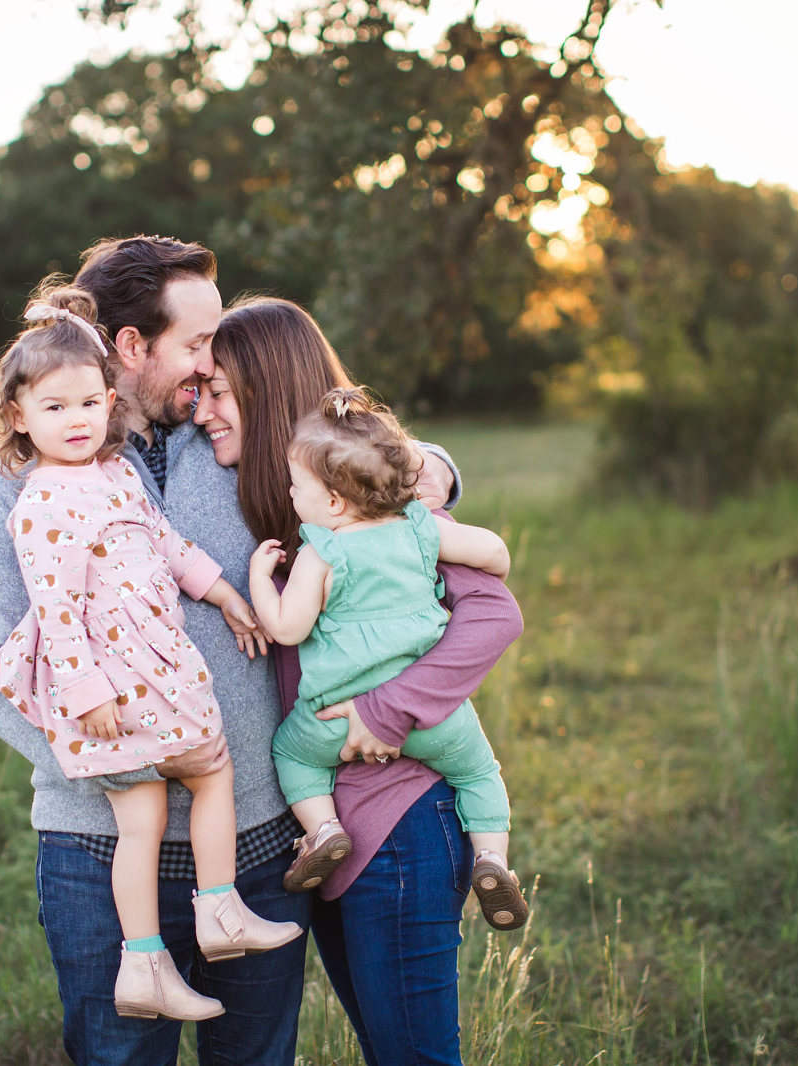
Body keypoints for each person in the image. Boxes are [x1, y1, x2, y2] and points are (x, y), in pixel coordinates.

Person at [0, 238, 500, 1066]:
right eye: (199, 342)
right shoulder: (22, 484)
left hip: (253, 847)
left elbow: (349, 434)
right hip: (97, 848)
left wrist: (432, 465)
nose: (215, 360)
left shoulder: (237, 438)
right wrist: (127, 765)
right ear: (134, 349)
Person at [192, 296, 526, 1065]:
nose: (202, 409)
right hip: (333, 832)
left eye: (220, 391)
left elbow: (494, 613)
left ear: (269, 391)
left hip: (399, 821)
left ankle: (491, 855)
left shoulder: (381, 501)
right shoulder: (290, 494)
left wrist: (387, 709)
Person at [0, 286, 302, 1022]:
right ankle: (157, 953)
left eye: (88, 404)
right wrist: (88, 713)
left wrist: (223, 592)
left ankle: (200, 924)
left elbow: (168, 542)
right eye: (195, 344)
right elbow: (51, 617)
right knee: (164, 801)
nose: (209, 363)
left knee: (173, 798)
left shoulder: (159, 454)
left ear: (107, 396)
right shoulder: (32, 498)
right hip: (111, 747)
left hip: (240, 807)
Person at [245, 386, 528, 931]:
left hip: (332, 720)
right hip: (431, 714)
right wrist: (483, 548)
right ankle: (492, 859)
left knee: (292, 756)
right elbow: (494, 554)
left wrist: (260, 578)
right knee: (478, 773)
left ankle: (324, 830)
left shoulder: (320, 551)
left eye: (295, 484)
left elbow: (285, 628)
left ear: (331, 502)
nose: (289, 491)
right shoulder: (420, 530)